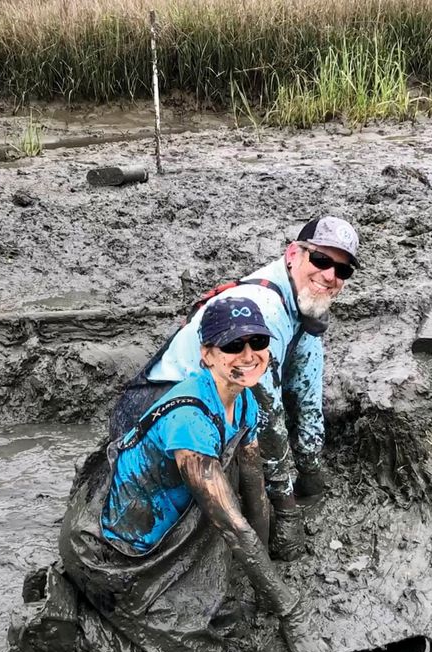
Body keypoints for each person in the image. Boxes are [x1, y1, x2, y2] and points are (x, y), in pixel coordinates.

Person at [13, 297, 335, 652]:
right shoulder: (190, 420)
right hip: (118, 552)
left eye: (258, 343)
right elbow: (233, 527)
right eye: (233, 346)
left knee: (227, 609)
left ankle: (102, 606)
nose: (249, 356)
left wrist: (260, 589)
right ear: (207, 355)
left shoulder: (245, 398)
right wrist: (291, 613)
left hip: (169, 525)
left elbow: (255, 490)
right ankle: (80, 629)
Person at [110, 216, 361, 562]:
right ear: (293, 255)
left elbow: (307, 393)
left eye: (342, 271)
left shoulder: (305, 305)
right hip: (157, 413)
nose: (330, 276)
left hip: (218, 406)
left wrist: (312, 472)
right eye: (320, 260)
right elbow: (268, 414)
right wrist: (286, 507)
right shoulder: (266, 308)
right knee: (203, 525)